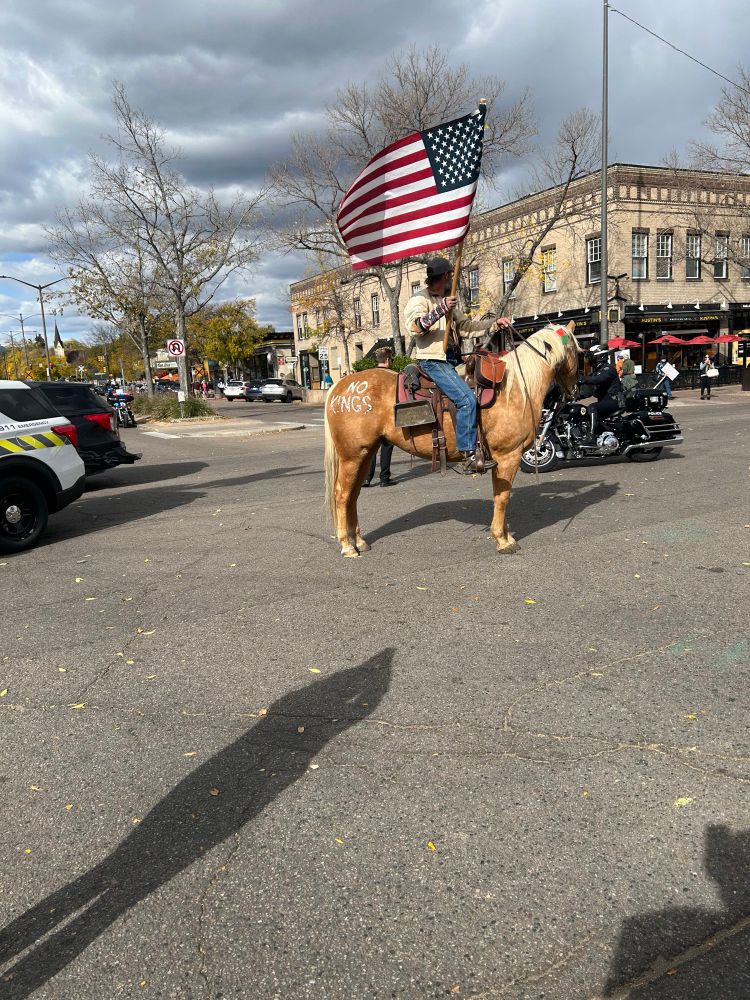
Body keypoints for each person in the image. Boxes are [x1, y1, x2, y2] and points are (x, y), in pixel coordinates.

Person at [404, 257, 512, 474]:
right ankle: (468, 454)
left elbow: (466, 327)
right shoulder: (420, 299)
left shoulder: (449, 300)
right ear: (445, 277)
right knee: (466, 399)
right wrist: (440, 309)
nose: (451, 280)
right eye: (450, 276)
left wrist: (494, 324)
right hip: (433, 360)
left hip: (454, 361)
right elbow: (415, 327)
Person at [363, 347, 397, 488]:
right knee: (387, 447)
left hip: (370, 417)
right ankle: (384, 478)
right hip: (387, 417)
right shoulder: (393, 375)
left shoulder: (369, 376)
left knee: (371, 449)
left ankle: (367, 478)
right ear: (388, 360)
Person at [579, 343, 622, 440]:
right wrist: (575, 396)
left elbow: (599, 379)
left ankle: (592, 435)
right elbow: (589, 391)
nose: (590, 359)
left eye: (591, 356)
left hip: (614, 401)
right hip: (604, 402)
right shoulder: (596, 372)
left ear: (600, 356)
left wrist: (583, 379)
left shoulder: (608, 368)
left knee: (592, 407)